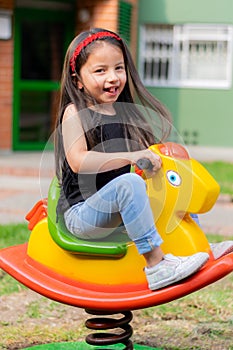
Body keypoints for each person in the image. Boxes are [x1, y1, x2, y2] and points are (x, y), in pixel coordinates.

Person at [54, 28, 233, 291]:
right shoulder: (75, 112)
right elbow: (79, 161)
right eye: (100, 71)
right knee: (129, 183)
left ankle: (196, 245)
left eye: (118, 68)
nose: (113, 77)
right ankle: (156, 265)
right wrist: (132, 156)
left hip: (113, 211)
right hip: (81, 215)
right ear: (78, 80)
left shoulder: (123, 113)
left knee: (171, 181)